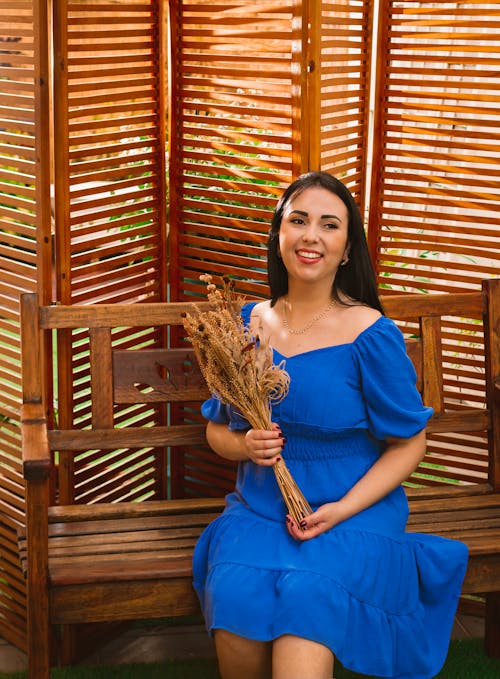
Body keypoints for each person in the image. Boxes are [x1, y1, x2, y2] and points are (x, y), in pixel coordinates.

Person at [192, 171, 468, 679]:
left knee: (306, 604)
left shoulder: (371, 334)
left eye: (329, 224)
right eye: (297, 220)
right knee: (235, 608)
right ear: (279, 237)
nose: (310, 236)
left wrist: (339, 510)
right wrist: (245, 444)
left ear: (346, 249)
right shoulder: (247, 325)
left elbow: (410, 444)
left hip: (352, 510)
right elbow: (216, 431)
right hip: (260, 508)